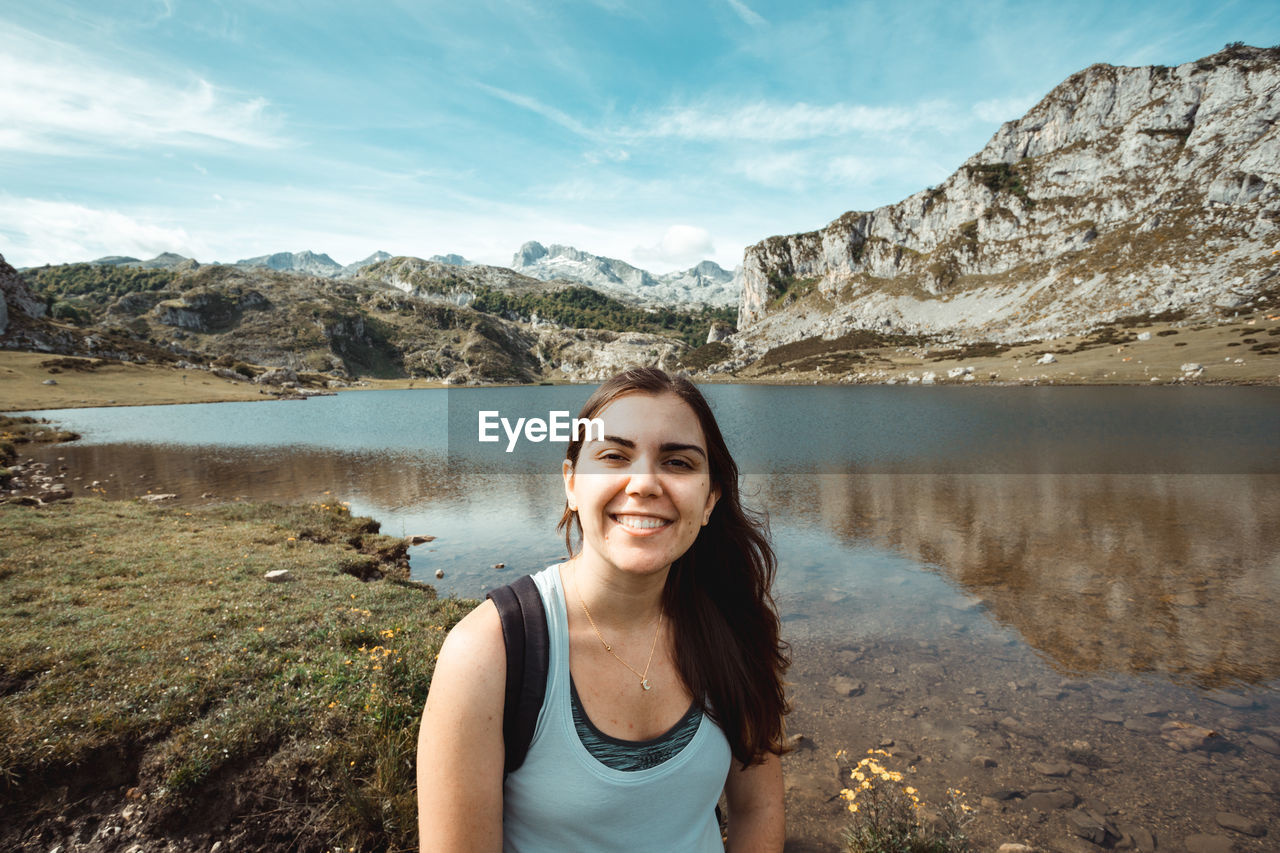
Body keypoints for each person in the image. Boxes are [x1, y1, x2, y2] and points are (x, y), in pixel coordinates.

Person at [416, 367, 790, 851]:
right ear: (571, 483)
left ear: (710, 499)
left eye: (678, 463)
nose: (644, 484)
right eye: (614, 456)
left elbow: (758, 807)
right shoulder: (489, 653)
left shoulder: (733, 624)